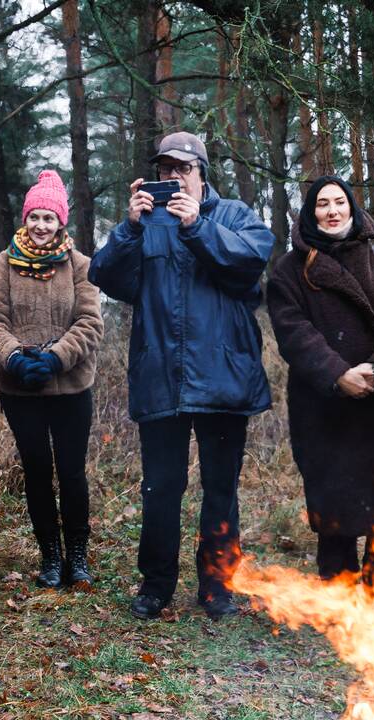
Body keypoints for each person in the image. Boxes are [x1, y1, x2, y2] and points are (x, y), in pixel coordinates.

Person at [89, 132, 275, 620]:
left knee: (220, 488)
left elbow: (250, 262)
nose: (173, 178)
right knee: (161, 486)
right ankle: (156, 586)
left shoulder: (234, 215)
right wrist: (129, 228)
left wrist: (196, 227)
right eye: (165, 169)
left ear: (201, 172)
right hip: (161, 375)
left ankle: (217, 586)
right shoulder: (144, 224)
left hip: (223, 376)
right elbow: (106, 278)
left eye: (182, 169)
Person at [267, 176, 374, 581]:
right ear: (310, 213)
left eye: (339, 202)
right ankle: (338, 596)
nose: (332, 211)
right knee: (334, 506)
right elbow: (293, 331)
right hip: (323, 407)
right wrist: (338, 374)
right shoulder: (290, 270)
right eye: (322, 204)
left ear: (352, 207)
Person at [0, 170, 104, 589]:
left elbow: (90, 322)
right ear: (24, 218)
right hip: (21, 390)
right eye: (34, 216)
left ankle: (78, 557)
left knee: (71, 472)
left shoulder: (81, 265)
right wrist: (13, 357)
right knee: (36, 470)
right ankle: (50, 556)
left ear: (61, 222)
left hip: (71, 388)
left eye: (48, 218)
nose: (40, 225)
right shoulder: (4, 262)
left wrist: (55, 358)